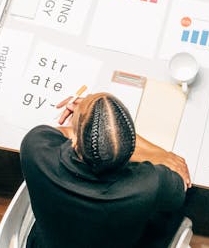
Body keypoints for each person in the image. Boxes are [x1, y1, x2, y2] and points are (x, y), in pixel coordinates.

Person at [20, 92, 192, 248]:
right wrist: (157, 154)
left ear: (75, 141)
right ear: (133, 151)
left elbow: (60, 134)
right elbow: (179, 189)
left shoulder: (36, 147)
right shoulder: (151, 183)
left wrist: (85, 121)